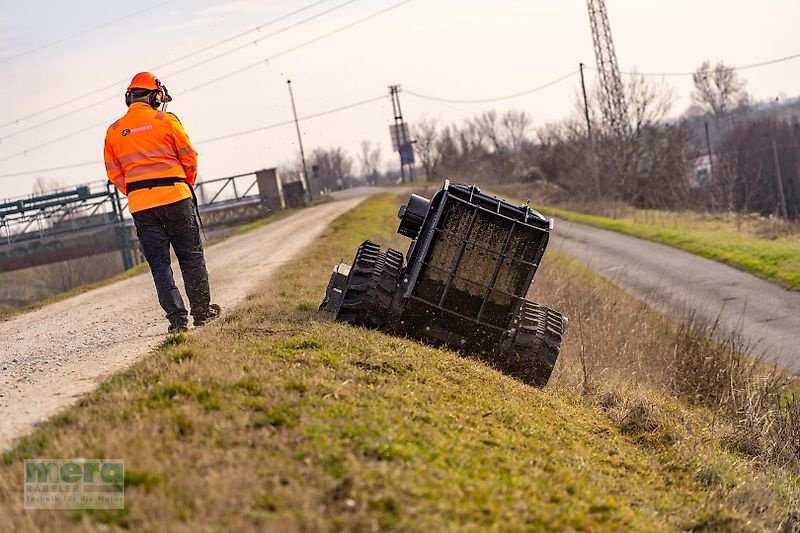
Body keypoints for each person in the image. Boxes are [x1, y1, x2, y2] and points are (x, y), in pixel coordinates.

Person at [104, 72, 220, 334]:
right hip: (176, 197)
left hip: (142, 206)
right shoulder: (167, 120)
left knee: (159, 264)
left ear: (129, 97)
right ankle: (201, 313)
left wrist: (137, 192)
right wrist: (181, 183)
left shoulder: (113, 132)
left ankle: (177, 320)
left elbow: (115, 174)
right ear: (155, 96)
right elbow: (189, 159)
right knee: (191, 257)